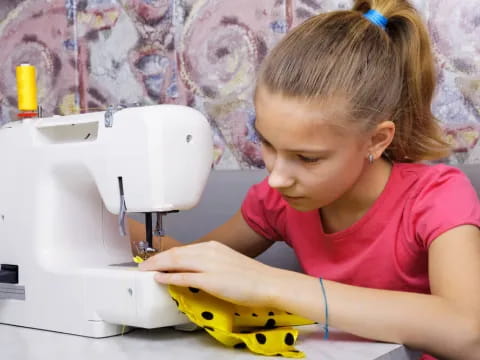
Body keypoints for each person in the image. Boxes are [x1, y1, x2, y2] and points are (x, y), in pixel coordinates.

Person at [128, 0, 480, 358]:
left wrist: (271, 284)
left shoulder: (437, 197)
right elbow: (191, 266)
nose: (277, 178)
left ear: (376, 140)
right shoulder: (276, 201)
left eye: (307, 158)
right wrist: (105, 224)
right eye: (265, 142)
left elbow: (468, 333)